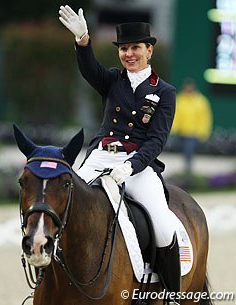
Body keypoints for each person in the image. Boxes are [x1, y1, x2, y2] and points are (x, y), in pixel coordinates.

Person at [59, 6, 180, 304]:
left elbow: (157, 140)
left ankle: (171, 293)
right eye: (124, 48)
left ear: (149, 50)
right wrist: (83, 41)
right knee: (64, 205)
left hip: (137, 165)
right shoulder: (113, 81)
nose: (129, 54)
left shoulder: (164, 92)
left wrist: (130, 166)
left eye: (135, 47)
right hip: (101, 157)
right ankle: (53, 278)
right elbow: (90, 70)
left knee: (164, 227)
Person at [171, 78, 213, 175]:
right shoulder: (179, 99)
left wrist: (203, 132)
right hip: (180, 132)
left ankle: (188, 170)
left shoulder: (201, 101)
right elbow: (175, 115)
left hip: (193, 133)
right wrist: (173, 129)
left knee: (188, 151)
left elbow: (205, 118)